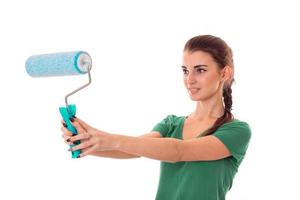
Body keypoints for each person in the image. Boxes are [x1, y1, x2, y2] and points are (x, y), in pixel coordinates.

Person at [61, 34, 251, 200]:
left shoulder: (236, 131)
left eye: (200, 70)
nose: (189, 79)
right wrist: (84, 141)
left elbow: (178, 151)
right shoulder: (172, 123)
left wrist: (104, 138)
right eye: (185, 70)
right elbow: (133, 148)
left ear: (224, 73)